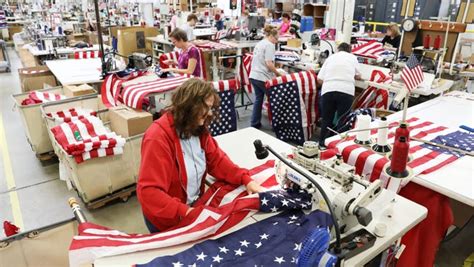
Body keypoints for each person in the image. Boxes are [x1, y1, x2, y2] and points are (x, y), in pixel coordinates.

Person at [137, 79, 265, 233]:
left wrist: (246, 179)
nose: (210, 113)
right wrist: (186, 212)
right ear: (189, 106)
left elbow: (217, 161)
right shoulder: (157, 137)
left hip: (192, 206)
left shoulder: (197, 129)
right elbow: (150, 193)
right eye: (206, 107)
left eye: (211, 108)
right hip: (167, 219)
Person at [317, 42, 363, 148]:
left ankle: (322, 145)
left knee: (326, 119)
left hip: (328, 90)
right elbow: (359, 75)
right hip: (346, 91)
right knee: (343, 120)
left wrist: (331, 82)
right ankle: (338, 147)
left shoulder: (331, 58)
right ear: (349, 50)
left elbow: (319, 79)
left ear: (338, 49)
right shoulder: (352, 58)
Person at [249, 25, 281, 129]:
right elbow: (269, 63)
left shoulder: (260, 43)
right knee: (275, 98)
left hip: (254, 75)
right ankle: (276, 123)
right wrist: (278, 73)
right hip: (262, 76)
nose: (276, 41)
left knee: (259, 99)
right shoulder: (270, 45)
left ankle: (255, 122)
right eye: (276, 39)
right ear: (271, 36)